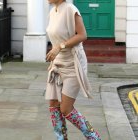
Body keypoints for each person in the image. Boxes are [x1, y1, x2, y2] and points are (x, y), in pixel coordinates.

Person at [45, 0, 101, 139]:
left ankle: (94, 137)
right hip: (58, 63)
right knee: (53, 104)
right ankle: (61, 138)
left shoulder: (71, 9)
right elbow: (56, 38)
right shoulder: (52, 12)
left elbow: (82, 35)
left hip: (73, 64)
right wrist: (54, 54)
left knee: (65, 108)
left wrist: (59, 47)